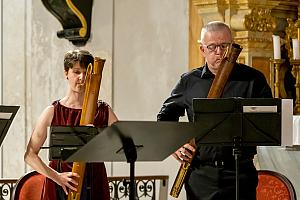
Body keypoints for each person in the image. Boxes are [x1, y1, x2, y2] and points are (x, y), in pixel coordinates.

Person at [157, 21, 272, 200]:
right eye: (212, 47)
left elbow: (269, 120)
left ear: (232, 45)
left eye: (224, 46)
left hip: (240, 173)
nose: (219, 52)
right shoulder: (189, 81)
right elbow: (164, 117)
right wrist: (175, 145)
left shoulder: (253, 79)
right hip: (201, 175)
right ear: (202, 50)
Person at [24, 49, 118, 200]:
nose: (82, 77)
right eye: (76, 72)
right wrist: (57, 177)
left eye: (86, 72)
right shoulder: (52, 111)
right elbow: (29, 155)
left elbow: (123, 144)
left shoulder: (103, 111)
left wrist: (101, 137)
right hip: (60, 185)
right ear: (66, 73)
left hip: (95, 183)